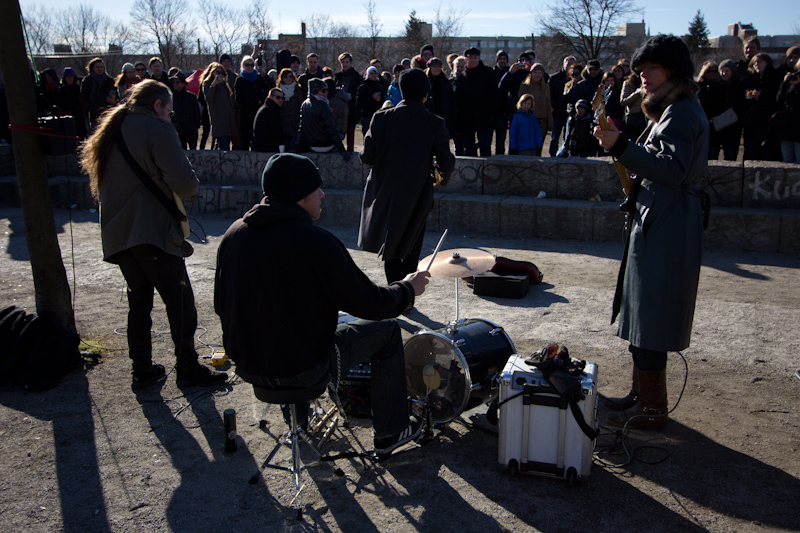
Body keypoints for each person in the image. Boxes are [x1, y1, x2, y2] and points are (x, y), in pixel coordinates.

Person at [214, 153, 429, 455]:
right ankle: (391, 432)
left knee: (284, 327)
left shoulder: (234, 235)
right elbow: (371, 304)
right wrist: (407, 289)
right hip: (302, 371)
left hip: (249, 366)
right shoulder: (316, 242)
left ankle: (299, 425)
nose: (322, 194)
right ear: (300, 196)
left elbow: (221, 305)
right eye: (316, 188)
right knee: (389, 332)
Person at [77, 80, 228, 390]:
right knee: (181, 302)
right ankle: (187, 368)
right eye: (169, 111)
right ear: (158, 106)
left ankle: (142, 370)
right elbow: (185, 184)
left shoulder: (111, 129)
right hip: (152, 231)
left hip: (119, 234)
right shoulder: (156, 129)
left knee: (139, 303)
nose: (170, 117)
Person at [593, 35, 709, 431]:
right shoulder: (673, 109)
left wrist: (621, 144)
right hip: (661, 219)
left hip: (668, 223)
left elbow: (672, 170)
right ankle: (641, 396)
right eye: (640, 71)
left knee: (653, 315)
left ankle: (653, 408)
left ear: (672, 72)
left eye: (650, 70)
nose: (642, 77)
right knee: (645, 313)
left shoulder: (682, 112)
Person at [358, 68, 455, 284]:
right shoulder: (434, 122)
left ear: (401, 90)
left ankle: (397, 291)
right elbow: (447, 161)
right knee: (413, 239)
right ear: (425, 93)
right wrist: (439, 178)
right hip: (418, 191)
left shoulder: (380, 118)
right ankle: (407, 290)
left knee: (391, 242)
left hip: (386, 190)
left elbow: (366, 157)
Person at [455, 47, 496, 157]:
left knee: (484, 146)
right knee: (469, 148)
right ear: (466, 59)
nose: (473, 60)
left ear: (479, 58)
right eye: (470, 58)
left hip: (484, 117)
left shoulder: (488, 72)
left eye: (475, 57)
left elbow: (494, 95)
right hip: (467, 118)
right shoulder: (462, 76)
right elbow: (458, 99)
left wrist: (492, 114)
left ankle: (486, 173)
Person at [742, 53, 781, 161]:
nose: (757, 65)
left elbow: (777, 97)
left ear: (767, 62)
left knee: (767, 153)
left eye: (759, 62)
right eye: (754, 63)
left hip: (768, 120)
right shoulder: (751, 77)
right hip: (752, 120)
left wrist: (762, 95)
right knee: (750, 151)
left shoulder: (774, 76)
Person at [234, 55, 273, 150]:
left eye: (252, 65)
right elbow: (238, 98)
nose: (250, 67)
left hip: (258, 110)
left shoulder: (258, 78)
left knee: (258, 135)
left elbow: (269, 89)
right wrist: (252, 101)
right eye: (247, 65)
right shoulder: (240, 80)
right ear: (243, 66)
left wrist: (264, 74)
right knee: (245, 136)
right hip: (246, 112)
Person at [295, 78, 344, 153]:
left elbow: (301, 129)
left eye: (327, 89)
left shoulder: (304, 105)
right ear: (315, 91)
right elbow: (331, 128)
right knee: (340, 135)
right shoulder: (323, 105)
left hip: (311, 145)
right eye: (323, 90)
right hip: (326, 145)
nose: (327, 92)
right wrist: (341, 149)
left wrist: (297, 147)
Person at [200, 62, 237, 151]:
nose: (220, 75)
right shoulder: (208, 84)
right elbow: (209, 99)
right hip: (219, 122)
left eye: (222, 73)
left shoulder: (225, 85)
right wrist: (213, 85)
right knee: (223, 147)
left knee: (226, 147)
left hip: (228, 121)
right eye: (217, 72)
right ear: (212, 72)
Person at [518, 63, 553, 151]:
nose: (537, 75)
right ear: (531, 73)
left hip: (542, 120)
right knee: (529, 145)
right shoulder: (524, 86)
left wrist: (550, 121)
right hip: (529, 119)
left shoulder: (545, 87)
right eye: (535, 72)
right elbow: (520, 104)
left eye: (539, 73)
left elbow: (548, 104)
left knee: (539, 145)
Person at [549, 56, 577, 157]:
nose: (570, 66)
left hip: (570, 112)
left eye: (572, 64)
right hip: (557, 111)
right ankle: (553, 156)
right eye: (568, 64)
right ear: (563, 64)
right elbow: (551, 95)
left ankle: (564, 156)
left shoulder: (576, 78)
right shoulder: (554, 78)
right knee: (554, 136)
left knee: (567, 137)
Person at [334, 53, 363, 152]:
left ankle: (350, 152)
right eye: (343, 62)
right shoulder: (337, 77)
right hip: (339, 108)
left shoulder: (357, 77)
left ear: (351, 63)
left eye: (347, 62)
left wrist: (350, 96)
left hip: (352, 108)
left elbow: (360, 92)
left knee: (350, 133)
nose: (345, 64)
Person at [79, 57, 116, 132]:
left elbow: (115, 96)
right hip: (93, 114)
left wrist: (113, 101)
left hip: (107, 113)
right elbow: (82, 98)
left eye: (102, 67)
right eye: (97, 67)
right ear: (92, 68)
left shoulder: (110, 81)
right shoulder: (88, 81)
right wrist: (90, 107)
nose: (100, 69)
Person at [252, 87, 291, 153]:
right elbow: (277, 132)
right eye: (278, 97)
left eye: (282, 98)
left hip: (264, 144)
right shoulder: (270, 111)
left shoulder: (268, 108)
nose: (281, 100)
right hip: (266, 146)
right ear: (270, 97)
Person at [775, 65, 800, 163]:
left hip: (798, 127)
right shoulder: (790, 82)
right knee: (787, 160)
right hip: (787, 125)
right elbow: (779, 100)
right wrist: (785, 83)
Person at [170, 72, 200, 150]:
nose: (175, 84)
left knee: (193, 152)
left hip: (191, 130)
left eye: (178, 82)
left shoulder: (191, 97)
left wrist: (195, 126)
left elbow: (196, 113)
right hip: (178, 130)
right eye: (173, 82)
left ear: (183, 83)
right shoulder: (170, 98)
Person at [57, 67, 86, 140]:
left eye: (71, 76)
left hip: (78, 116)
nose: (69, 78)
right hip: (66, 116)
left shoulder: (78, 89)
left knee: (80, 134)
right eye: (67, 77)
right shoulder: (61, 90)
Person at [356, 66, 386, 134]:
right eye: (371, 73)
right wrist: (372, 98)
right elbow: (359, 103)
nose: (373, 75)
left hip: (378, 116)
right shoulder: (362, 87)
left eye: (375, 74)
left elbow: (383, 102)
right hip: (366, 116)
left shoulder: (379, 87)